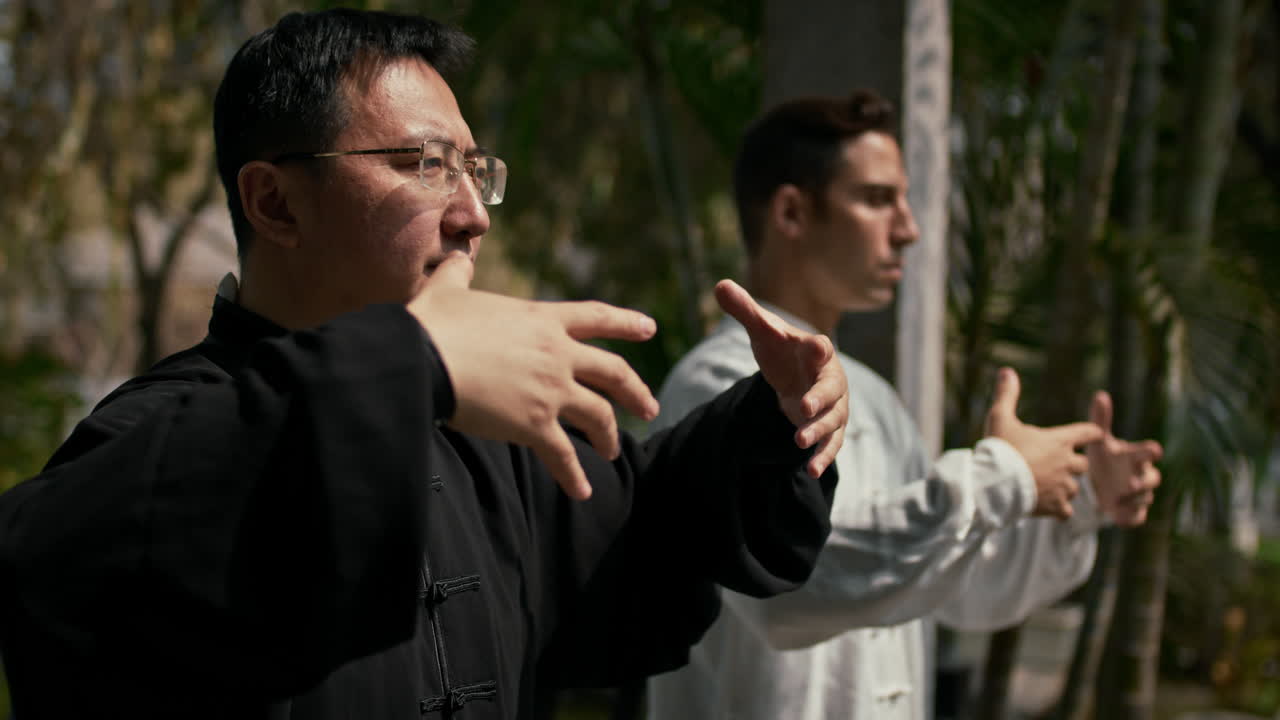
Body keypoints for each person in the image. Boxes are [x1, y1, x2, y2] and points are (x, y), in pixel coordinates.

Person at [0, 10, 852, 719]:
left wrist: (773, 424)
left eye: (475, 170)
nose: (474, 215)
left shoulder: (491, 435)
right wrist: (411, 364)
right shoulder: (158, 435)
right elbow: (53, 560)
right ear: (275, 202)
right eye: (427, 166)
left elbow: (648, 530)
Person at [644, 90, 1164, 720]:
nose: (908, 229)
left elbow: (958, 584)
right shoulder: (713, 385)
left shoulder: (876, 399)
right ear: (792, 212)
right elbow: (791, 589)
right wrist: (1001, 477)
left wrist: (1076, 496)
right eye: (876, 198)